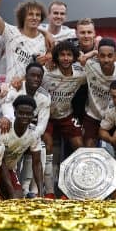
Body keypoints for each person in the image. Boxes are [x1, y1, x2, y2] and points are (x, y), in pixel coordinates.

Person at [41, 40, 86, 197]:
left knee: (80, 147)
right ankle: (49, 191)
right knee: (48, 146)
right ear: (56, 57)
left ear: (74, 57)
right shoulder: (47, 73)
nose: (66, 58)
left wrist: (90, 55)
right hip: (47, 116)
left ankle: (75, 188)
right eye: (62, 55)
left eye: (69, 55)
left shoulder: (80, 75)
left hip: (67, 115)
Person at [0, 0, 52, 83]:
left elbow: (49, 69)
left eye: (38, 15)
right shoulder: (10, 32)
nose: (34, 17)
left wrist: (39, 64)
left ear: (41, 18)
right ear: (23, 17)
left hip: (33, 92)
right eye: (30, 14)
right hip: (11, 91)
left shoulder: (46, 40)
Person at [2, 62, 51, 197]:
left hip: (29, 129)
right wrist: (9, 120)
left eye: (39, 76)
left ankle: (35, 192)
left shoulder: (45, 97)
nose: (36, 79)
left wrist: (30, 136)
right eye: (32, 75)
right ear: (26, 76)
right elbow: (6, 105)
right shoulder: (16, 87)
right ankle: (17, 188)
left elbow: (42, 123)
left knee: (39, 148)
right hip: (9, 125)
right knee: (7, 157)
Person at [0, 95, 44, 199]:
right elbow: (1, 163)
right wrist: (11, 192)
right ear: (15, 113)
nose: (24, 116)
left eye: (28, 114)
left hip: (9, 170)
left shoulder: (34, 132)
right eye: (21, 113)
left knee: (18, 199)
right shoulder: (4, 129)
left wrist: (41, 193)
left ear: (33, 115)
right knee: (7, 197)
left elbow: (37, 163)